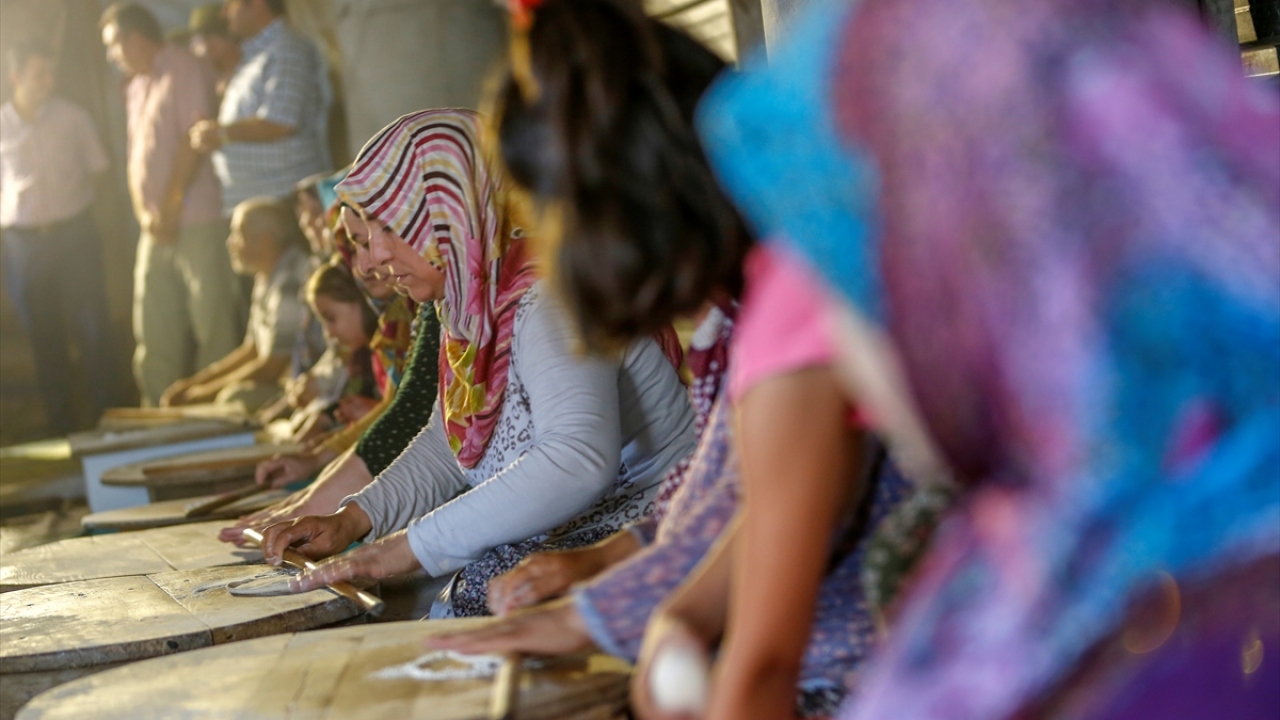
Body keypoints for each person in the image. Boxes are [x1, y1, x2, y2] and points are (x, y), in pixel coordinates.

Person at [692, 0, 1280, 719]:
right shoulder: (1041, 553)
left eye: (859, 292)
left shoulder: (1139, 634)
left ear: (988, 282)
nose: (842, 352)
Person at [424, 3, 921, 716]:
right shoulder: (756, 302)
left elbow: (764, 666)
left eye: (553, 216)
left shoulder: (796, 308)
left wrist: (640, 623)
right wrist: (650, 617)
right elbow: (748, 511)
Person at [259, 108, 698, 618]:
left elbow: (577, 460)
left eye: (387, 228)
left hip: (662, 514)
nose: (368, 261)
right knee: (467, 588)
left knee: (482, 591)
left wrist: (400, 550)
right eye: (362, 239)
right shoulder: (473, 304)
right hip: (589, 519)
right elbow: (453, 445)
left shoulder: (551, 295)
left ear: (448, 214)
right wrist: (355, 519)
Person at [100, 2, 249, 407]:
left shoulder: (183, 67)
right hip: (155, 226)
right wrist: (148, 215)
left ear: (135, 38)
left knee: (212, 321)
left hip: (197, 218)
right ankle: (157, 414)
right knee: (153, 323)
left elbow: (192, 142)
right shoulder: (136, 86)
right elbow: (136, 160)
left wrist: (170, 205)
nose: (112, 55)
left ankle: (217, 415)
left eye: (114, 45)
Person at [0, 40, 127, 434]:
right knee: (43, 334)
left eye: (51, 73)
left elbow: (99, 169)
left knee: (93, 328)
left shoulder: (74, 117)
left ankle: (111, 418)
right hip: (24, 244)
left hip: (74, 234)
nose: (47, 81)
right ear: (16, 77)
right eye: (39, 73)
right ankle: (62, 426)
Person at [161, 197, 311, 411]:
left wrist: (202, 394)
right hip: (284, 385)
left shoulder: (289, 280)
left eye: (238, 233)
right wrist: (195, 384)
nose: (230, 243)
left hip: (298, 387)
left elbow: (273, 366)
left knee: (233, 398)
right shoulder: (266, 276)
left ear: (265, 240)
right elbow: (252, 349)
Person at [189, 0, 328, 216]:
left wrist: (220, 133)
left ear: (257, 4)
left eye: (230, 5)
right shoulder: (256, 54)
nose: (225, 13)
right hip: (263, 202)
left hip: (285, 201)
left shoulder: (286, 49)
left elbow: (281, 122)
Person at [271, 259, 379, 442]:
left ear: (360, 301)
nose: (328, 333)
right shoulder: (357, 356)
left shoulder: (384, 350)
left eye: (331, 318)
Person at [187, 3, 240, 98]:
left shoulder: (251, 71)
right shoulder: (208, 81)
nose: (202, 47)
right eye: (197, 40)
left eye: (208, 37)